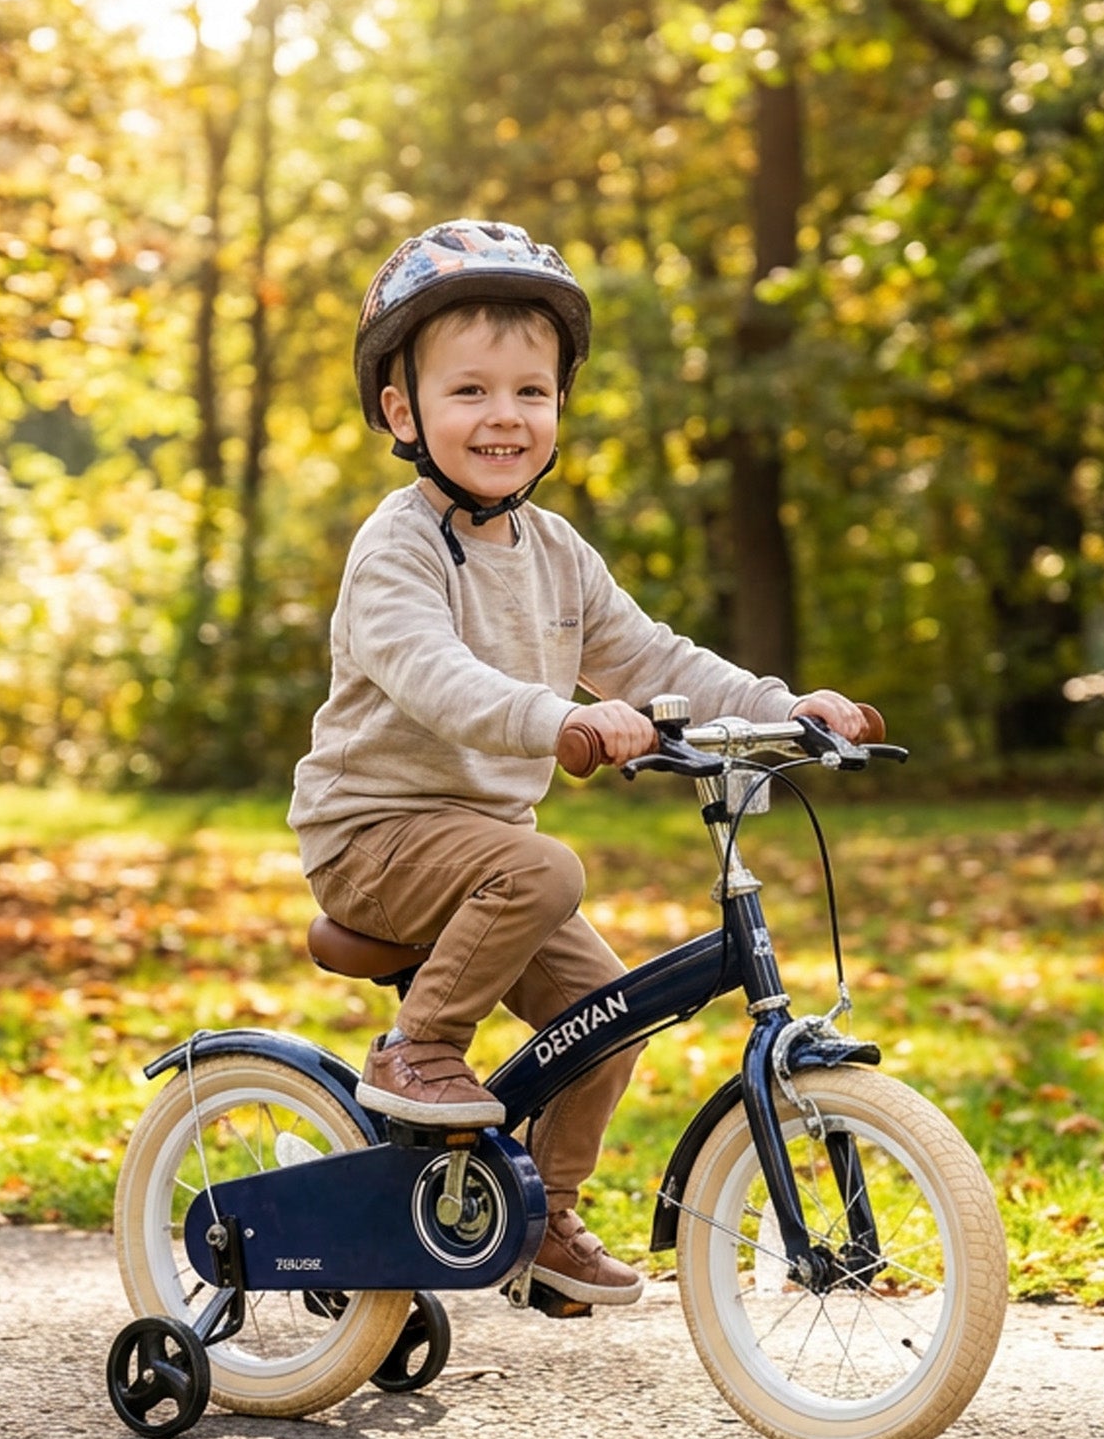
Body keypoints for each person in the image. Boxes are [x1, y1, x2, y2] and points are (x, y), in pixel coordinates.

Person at [287, 219, 869, 1306]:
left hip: (481, 856)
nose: (503, 415)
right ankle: (415, 1052)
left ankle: (538, 1215)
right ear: (401, 411)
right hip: (372, 835)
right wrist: (557, 719)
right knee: (545, 865)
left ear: (556, 409)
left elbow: (654, 657)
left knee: (609, 1011)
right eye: (468, 392)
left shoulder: (556, 553)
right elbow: (430, 672)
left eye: (530, 391)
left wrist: (788, 706)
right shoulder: (397, 544)